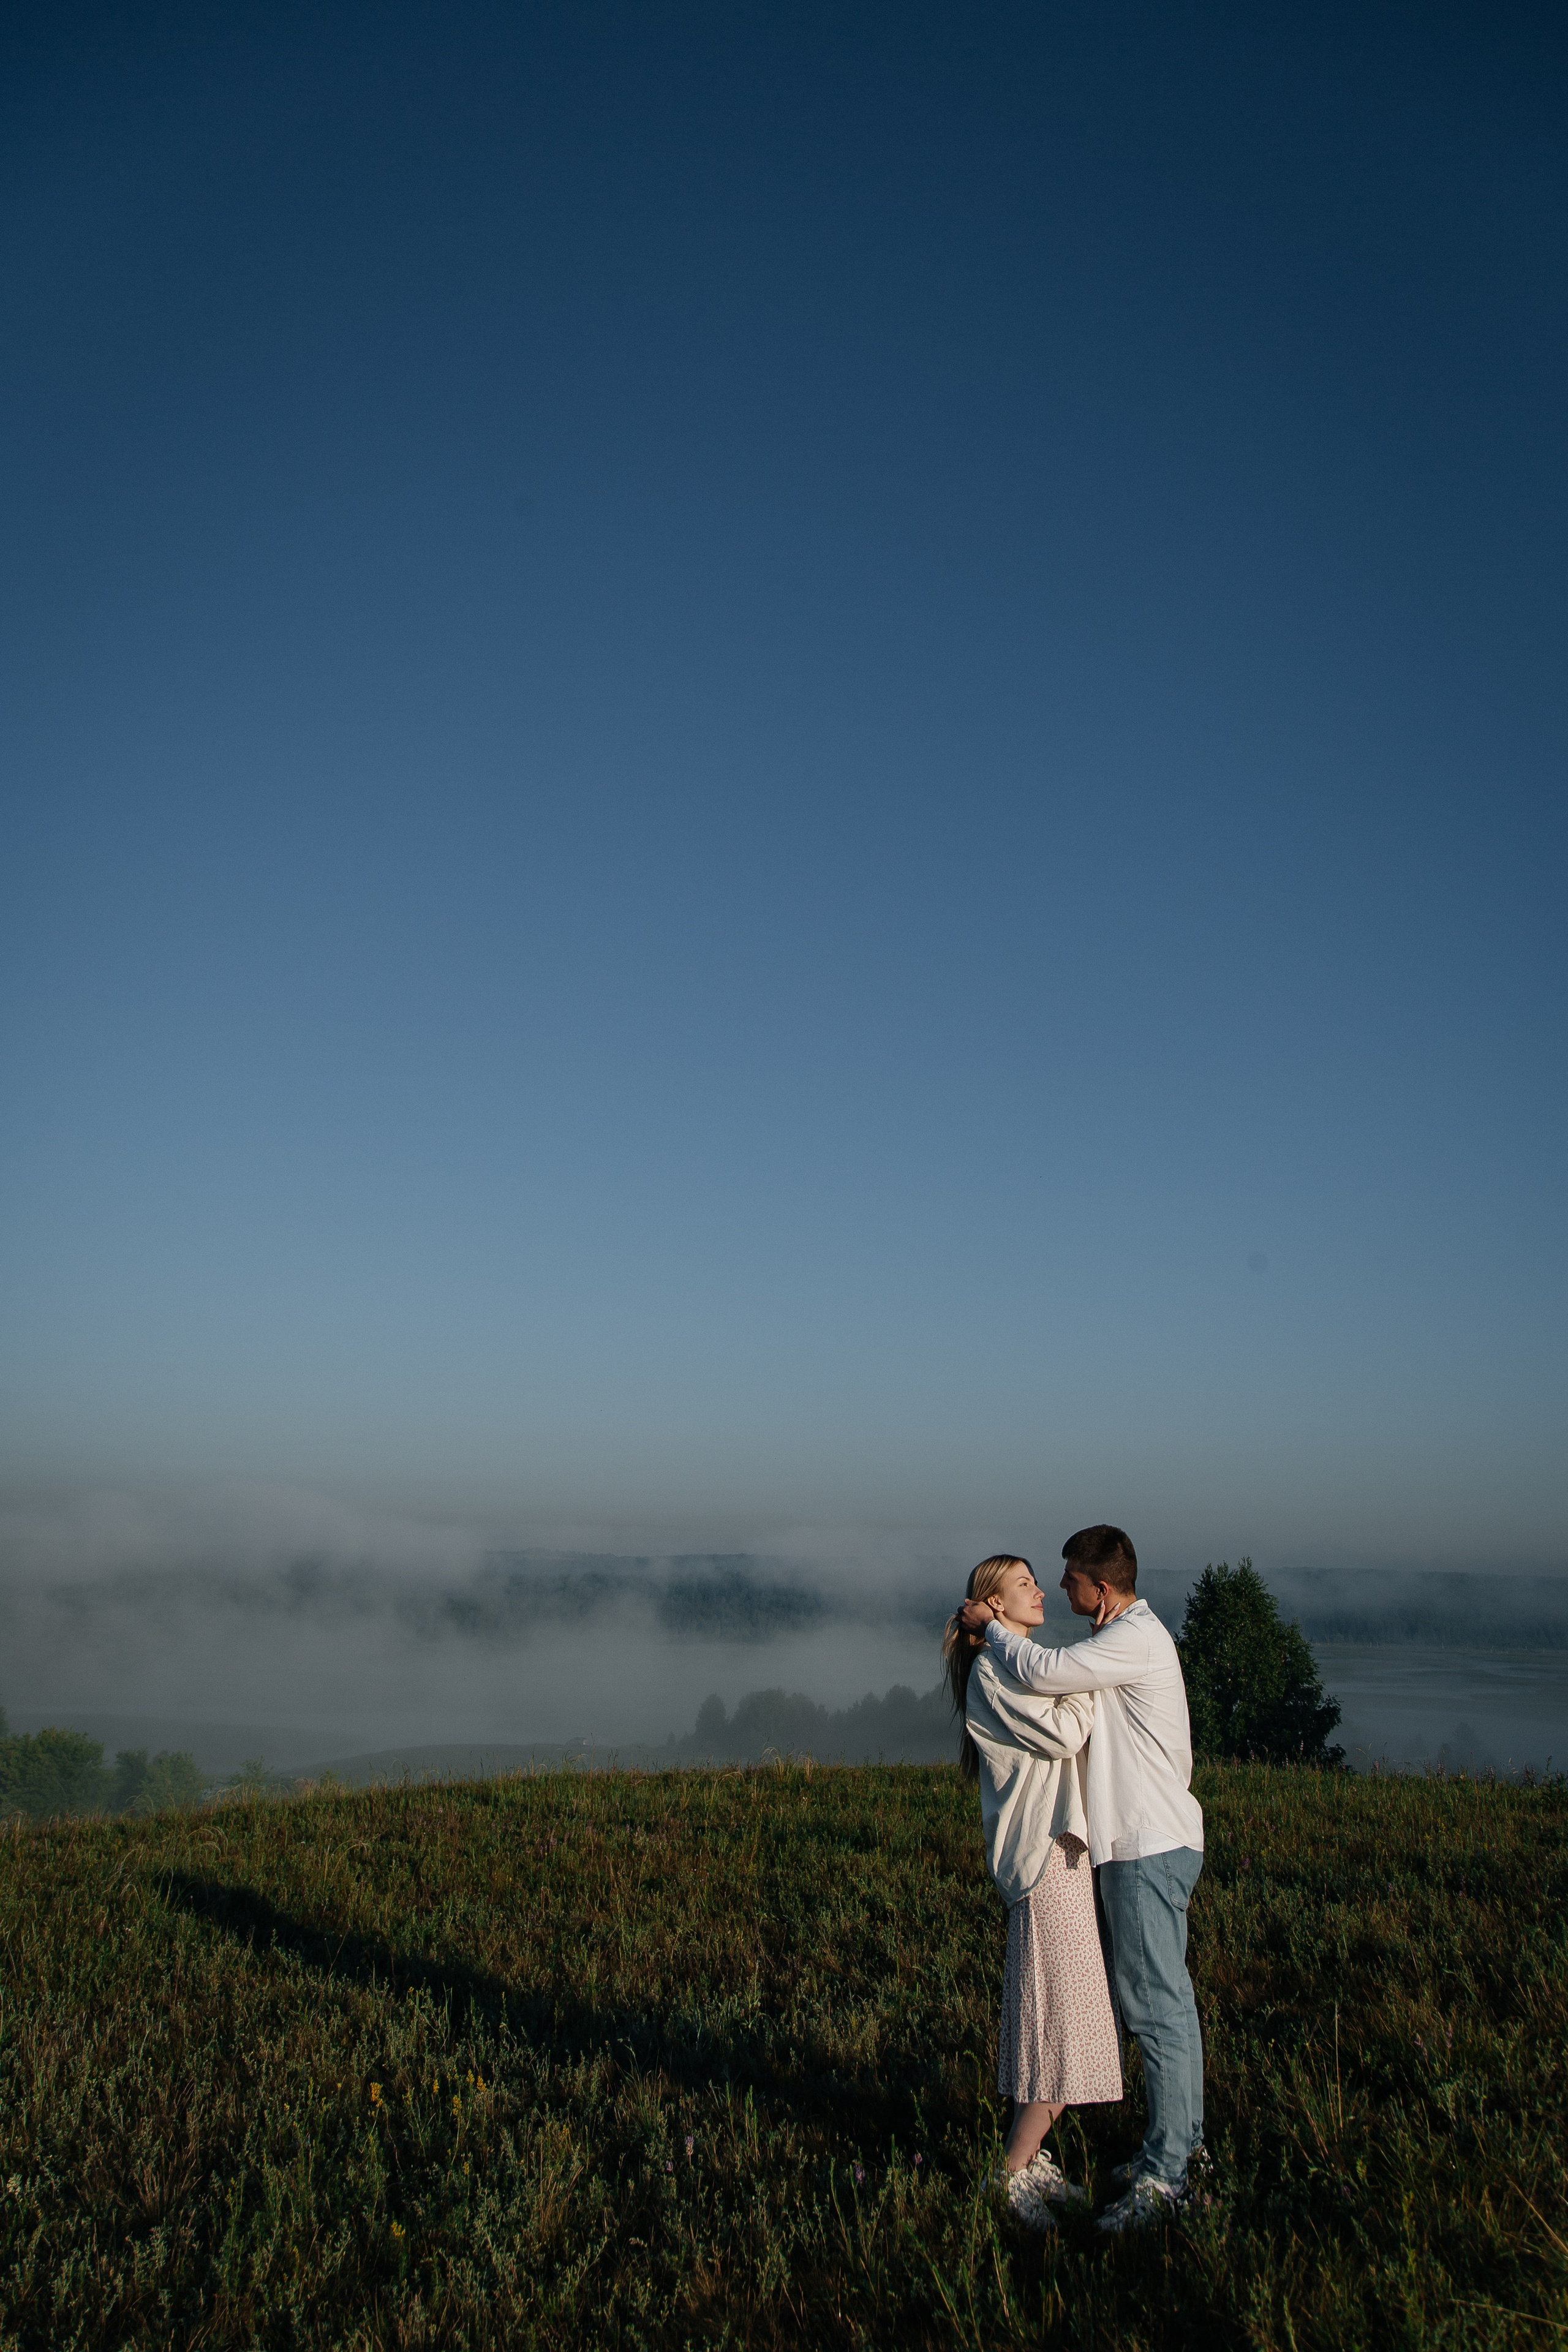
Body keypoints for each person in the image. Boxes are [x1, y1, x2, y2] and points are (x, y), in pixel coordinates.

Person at [958, 1523, 1205, 2234]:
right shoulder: (1108, 1643)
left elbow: (1050, 1691)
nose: (1055, 1587)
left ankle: (1169, 2170)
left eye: (1063, 1576)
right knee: (1137, 2006)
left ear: (1099, 1588)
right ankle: (1169, 2151)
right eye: (1032, 1581)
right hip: (1106, 1849)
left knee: (1154, 2009)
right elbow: (1060, 1703)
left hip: (1141, 1845)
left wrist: (992, 1627)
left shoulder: (1127, 1639)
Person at [943, 1553, 1124, 2233]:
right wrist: (1091, 1676)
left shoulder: (1015, 1664)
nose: (1040, 1590)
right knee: (1060, 2021)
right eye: (1022, 1585)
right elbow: (1068, 1731)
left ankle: (1025, 2160)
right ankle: (1011, 2175)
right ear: (991, 1605)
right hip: (1045, 1860)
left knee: (1063, 2017)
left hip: (1061, 1856)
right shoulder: (995, 1671)